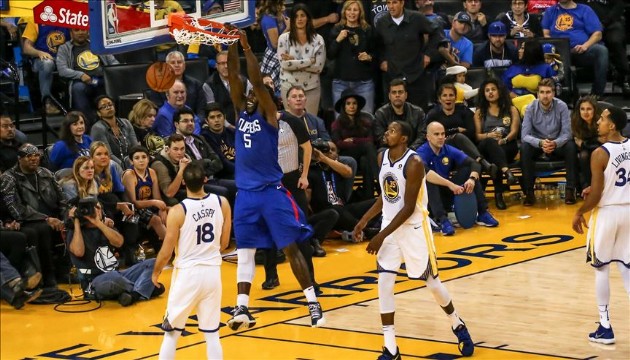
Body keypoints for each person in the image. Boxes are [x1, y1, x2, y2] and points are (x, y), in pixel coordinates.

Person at [226, 28, 324, 330]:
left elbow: (254, 80)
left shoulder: (270, 116)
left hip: (271, 192)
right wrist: (230, 44)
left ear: (268, 98)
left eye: (258, 93)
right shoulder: (241, 111)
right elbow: (233, 77)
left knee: (291, 246)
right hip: (245, 195)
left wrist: (247, 49)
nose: (252, 95)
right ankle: (241, 309)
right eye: (251, 94)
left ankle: (312, 302)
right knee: (245, 252)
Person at [354, 121, 475, 359]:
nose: (387, 133)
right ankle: (391, 347)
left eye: (392, 130)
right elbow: (386, 197)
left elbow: (408, 208)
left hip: (414, 228)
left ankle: (457, 324)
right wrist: (364, 220)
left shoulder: (414, 163)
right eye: (388, 129)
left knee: (432, 283)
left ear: (404, 139)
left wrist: (379, 235)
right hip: (390, 228)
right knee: (384, 284)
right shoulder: (382, 158)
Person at [152, 161, 231, 359]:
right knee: (212, 335)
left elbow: (166, 250)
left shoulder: (178, 211)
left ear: (183, 183)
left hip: (187, 274)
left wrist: (156, 272)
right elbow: (224, 244)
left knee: (171, 333)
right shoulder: (223, 202)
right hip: (213, 272)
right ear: (205, 179)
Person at [571, 105, 629, 345]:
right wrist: (600, 188)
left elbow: (595, 197)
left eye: (603, 119)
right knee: (627, 269)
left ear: (612, 125)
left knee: (601, 268)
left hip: (606, 214)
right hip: (628, 211)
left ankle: (605, 327)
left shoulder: (600, 153)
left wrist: (579, 212)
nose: (597, 122)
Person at [66, 198, 164, 306]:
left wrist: (98, 223)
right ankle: (145, 289)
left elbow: (119, 242)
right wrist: (76, 221)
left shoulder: (105, 226)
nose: (96, 211)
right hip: (94, 281)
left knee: (154, 262)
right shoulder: (75, 232)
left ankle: (134, 295)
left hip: (118, 274)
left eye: (98, 207)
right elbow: (79, 252)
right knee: (115, 279)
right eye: (94, 208)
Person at [418, 121, 499, 235]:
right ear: (428, 137)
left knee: (468, 171)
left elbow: (474, 163)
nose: (441, 137)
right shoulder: (421, 152)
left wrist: (471, 179)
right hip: (429, 199)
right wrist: (451, 185)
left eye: (443, 134)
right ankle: (442, 220)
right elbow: (426, 173)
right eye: (436, 134)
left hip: (447, 191)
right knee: (429, 181)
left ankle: (482, 213)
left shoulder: (447, 149)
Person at [374, 0, 443, 110]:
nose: (391, 6)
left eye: (394, 2)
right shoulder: (382, 22)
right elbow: (377, 45)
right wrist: (382, 61)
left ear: (402, 3)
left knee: (419, 113)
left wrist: (429, 55)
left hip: (416, 75)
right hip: (393, 75)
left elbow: (436, 33)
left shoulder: (417, 18)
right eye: (388, 3)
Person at [520, 78, 578, 205]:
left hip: (558, 144)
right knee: (525, 147)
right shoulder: (530, 108)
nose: (545, 96)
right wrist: (541, 143)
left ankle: (570, 190)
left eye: (548, 92)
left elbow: (567, 133)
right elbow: (524, 135)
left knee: (571, 146)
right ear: (537, 94)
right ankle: (529, 192)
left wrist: (555, 143)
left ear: (553, 93)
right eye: (542, 92)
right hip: (538, 144)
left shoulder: (562, 106)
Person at [541, 0, 608, 97]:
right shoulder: (550, 11)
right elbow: (546, 35)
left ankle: (596, 94)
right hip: (559, 53)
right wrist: (558, 48)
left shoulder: (585, 10)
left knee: (601, 51)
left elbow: (598, 34)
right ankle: (564, 94)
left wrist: (585, 46)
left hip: (581, 52)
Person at [473, 79, 520, 210]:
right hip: (486, 146)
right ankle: (503, 180)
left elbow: (514, 132)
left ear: (499, 91)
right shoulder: (479, 112)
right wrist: (489, 136)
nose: (490, 93)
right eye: (487, 90)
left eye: (493, 89)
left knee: (496, 159)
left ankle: (499, 192)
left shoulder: (511, 109)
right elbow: (477, 136)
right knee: (490, 144)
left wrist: (503, 140)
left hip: (507, 144)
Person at [55, 28, 119, 121]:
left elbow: (113, 62)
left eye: (83, 30)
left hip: (101, 79)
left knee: (112, 84)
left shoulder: (97, 44)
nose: (80, 33)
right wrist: (80, 75)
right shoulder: (64, 48)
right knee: (78, 88)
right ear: (71, 33)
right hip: (80, 82)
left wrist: (119, 70)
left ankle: (112, 122)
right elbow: (62, 70)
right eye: (76, 30)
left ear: (88, 31)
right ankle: (88, 123)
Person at [328, 0, 376, 114]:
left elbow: (377, 53)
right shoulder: (337, 29)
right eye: (349, 9)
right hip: (340, 83)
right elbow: (330, 54)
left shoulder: (367, 30)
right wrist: (338, 40)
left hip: (364, 83)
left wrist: (369, 57)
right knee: (340, 121)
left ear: (360, 12)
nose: (352, 13)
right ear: (344, 12)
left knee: (366, 119)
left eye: (355, 10)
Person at [277, 4, 326, 115]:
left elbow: (318, 67)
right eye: (296, 16)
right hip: (289, 87)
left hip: (312, 87)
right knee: (292, 124)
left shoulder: (318, 39)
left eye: (302, 15)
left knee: (310, 124)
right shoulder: (284, 38)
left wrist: (293, 61)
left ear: (308, 18)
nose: (299, 19)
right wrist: (309, 61)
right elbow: (284, 65)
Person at [330, 89, 379, 200]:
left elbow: (371, 139)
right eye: (348, 103)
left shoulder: (365, 121)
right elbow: (338, 144)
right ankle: (380, 181)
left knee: (365, 161)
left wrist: (354, 140)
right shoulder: (337, 123)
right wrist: (361, 141)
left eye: (354, 103)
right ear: (344, 106)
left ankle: (369, 197)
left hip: (363, 155)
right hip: (347, 155)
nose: (352, 106)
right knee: (367, 147)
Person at [19, 18, 69, 115]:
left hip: (63, 59)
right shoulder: (34, 20)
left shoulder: (67, 18)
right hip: (40, 61)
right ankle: (47, 102)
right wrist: (39, 53)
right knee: (47, 63)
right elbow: (26, 48)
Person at [121, 146, 168, 243]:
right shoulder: (129, 174)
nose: (141, 160)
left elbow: (157, 197)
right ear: (131, 161)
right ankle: (171, 248)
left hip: (150, 205)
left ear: (148, 159)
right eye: (137, 158)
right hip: (134, 210)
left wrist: (162, 209)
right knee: (156, 220)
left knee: (173, 211)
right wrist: (155, 202)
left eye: (144, 157)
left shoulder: (151, 172)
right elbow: (134, 202)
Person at [148, 51, 206, 120]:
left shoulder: (196, 85)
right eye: (172, 63)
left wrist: (195, 123)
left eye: (179, 62)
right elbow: (157, 110)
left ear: (184, 65)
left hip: (193, 123)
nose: (176, 65)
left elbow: (201, 110)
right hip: (167, 123)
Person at [203, 51, 253, 127]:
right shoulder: (209, 85)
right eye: (222, 63)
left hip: (245, 125)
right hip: (222, 128)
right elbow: (213, 112)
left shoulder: (244, 81)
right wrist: (230, 127)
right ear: (216, 66)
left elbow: (250, 106)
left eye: (228, 63)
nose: (226, 66)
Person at [373, 78, 426, 150]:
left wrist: (409, 150)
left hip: (413, 150)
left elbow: (422, 136)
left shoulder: (418, 112)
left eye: (400, 92)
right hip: (390, 149)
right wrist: (397, 149)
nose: (397, 95)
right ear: (389, 96)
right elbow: (380, 139)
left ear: (406, 95)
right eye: (394, 92)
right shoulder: (381, 114)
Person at [91, 95, 139, 169]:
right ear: (98, 113)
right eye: (104, 106)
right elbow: (108, 155)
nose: (108, 107)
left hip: (130, 161)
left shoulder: (126, 122)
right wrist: (124, 166)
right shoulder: (97, 128)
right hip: (112, 165)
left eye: (110, 104)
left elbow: (135, 147)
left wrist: (137, 159)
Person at [570, 95, 602, 191]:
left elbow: (602, 142)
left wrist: (584, 144)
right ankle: (586, 186)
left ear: (594, 110)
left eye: (589, 109)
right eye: (582, 109)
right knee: (583, 155)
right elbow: (576, 142)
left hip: (601, 150)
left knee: (590, 154)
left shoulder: (601, 121)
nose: (585, 112)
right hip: (584, 152)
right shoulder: (575, 121)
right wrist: (589, 143)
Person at [200, 102, 236, 180]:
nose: (216, 120)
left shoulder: (232, 132)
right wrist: (241, 171)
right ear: (206, 121)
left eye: (219, 116)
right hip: (222, 175)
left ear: (224, 117)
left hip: (239, 169)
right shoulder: (206, 137)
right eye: (212, 117)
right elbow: (222, 162)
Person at [258, 0, 287, 91]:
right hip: (274, 56)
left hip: (285, 54)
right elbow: (275, 44)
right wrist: (289, 27)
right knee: (271, 89)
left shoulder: (282, 13)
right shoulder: (268, 19)